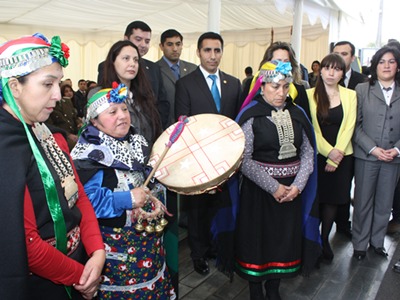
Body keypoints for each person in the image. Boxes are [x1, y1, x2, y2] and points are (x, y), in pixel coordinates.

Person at [0, 33, 105, 300]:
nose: (58, 95)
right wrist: (81, 276)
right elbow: (25, 242)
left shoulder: (50, 135)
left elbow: (77, 195)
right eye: (48, 84)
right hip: (42, 283)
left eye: (58, 83)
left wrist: (97, 251)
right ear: (14, 87)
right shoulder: (6, 148)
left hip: (79, 261)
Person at [71, 84, 176, 299]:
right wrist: (127, 198)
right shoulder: (90, 154)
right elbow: (86, 202)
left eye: (125, 109)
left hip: (148, 246)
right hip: (117, 255)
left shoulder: (134, 142)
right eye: (112, 112)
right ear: (94, 121)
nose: (122, 116)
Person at [235, 60, 320, 300]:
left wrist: (297, 187)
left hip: (290, 194)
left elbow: (307, 153)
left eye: (284, 86)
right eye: (274, 87)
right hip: (259, 195)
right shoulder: (251, 115)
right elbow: (244, 159)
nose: (281, 92)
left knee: (282, 243)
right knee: (256, 243)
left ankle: (273, 290)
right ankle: (255, 292)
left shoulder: (297, 113)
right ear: (262, 87)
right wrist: (274, 187)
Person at [175, 31, 242, 275]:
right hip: (198, 160)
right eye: (207, 50)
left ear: (222, 52)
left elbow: (238, 123)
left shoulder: (234, 83)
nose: (212, 56)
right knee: (198, 210)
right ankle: (198, 254)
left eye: (217, 50)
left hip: (227, 160)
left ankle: (217, 247)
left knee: (221, 206)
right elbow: (181, 125)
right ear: (198, 52)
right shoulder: (185, 84)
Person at [306, 53, 357, 262]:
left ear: (342, 73)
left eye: (337, 69)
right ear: (321, 70)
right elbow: (311, 129)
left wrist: (336, 157)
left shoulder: (350, 95)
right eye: (328, 68)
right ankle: (312, 242)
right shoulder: (309, 94)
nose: (331, 72)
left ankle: (324, 238)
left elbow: (349, 126)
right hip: (317, 155)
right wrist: (328, 153)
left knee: (333, 200)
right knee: (317, 200)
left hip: (343, 157)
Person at [352, 46, 400, 260]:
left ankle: (377, 242)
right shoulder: (362, 89)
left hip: (393, 157)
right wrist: (373, 148)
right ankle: (360, 244)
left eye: (391, 61)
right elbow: (356, 125)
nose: (387, 66)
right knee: (363, 200)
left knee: (384, 202)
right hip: (367, 156)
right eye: (382, 62)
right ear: (375, 65)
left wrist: (397, 149)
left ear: (397, 66)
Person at [97, 20, 170, 129]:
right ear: (126, 39)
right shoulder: (107, 66)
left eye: (147, 41)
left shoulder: (154, 68)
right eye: (138, 39)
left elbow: (162, 103)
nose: (143, 45)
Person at [332, 40, 369, 239]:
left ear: (352, 58)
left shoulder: (363, 81)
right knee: (334, 186)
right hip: (330, 145)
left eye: (344, 54)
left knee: (350, 186)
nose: (339, 57)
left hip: (356, 144)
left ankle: (344, 224)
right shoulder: (323, 80)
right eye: (336, 53)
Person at [100, 40, 162, 147]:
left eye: (136, 60)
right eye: (126, 58)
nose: (132, 64)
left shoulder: (145, 94)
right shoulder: (101, 95)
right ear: (113, 62)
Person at [244, 41, 311, 119]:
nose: (282, 66)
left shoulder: (299, 89)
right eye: (278, 61)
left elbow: (306, 120)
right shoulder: (252, 84)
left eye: (286, 62)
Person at [156, 29, 197, 127]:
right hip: (165, 127)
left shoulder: (193, 69)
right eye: (170, 44)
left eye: (178, 44)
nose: (175, 49)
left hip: (191, 126)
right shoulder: (154, 69)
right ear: (161, 46)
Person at [46, 83, 82, 150]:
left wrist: (79, 123)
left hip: (75, 133)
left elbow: (74, 117)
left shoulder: (67, 102)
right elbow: (50, 126)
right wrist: (68, 135)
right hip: (61, 136)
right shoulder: (47, 106)